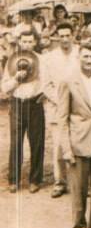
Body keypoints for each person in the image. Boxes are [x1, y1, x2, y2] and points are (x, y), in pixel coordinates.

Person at [57, 41, 91, 228]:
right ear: (78, 57)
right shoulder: (67, 81)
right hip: (78, 141)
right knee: (79, 189)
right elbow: (62, 118)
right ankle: (79, 226)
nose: (89, 60)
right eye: (85, 56)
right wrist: (66, 149)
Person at [2, 27, 45, 193]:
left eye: (30, 41)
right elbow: (5, 87)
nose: (27, 44)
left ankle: (35, 180)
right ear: (19, 42)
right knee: (16, 142)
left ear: (35, 42)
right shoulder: (11, 60)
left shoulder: (41, 60)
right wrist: (15, 79)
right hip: (17, 103)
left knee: (37, 142)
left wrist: (44, 96)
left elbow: (48, 82)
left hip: (35, 104)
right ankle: (14, 180)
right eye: (24, 41)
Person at [40, 18, 79, 198]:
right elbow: (46, 85)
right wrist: (61, 101)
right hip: (57, 108)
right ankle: (59, 182)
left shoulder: (79, 54)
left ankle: (77, 182)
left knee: (76, 144)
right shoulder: (49, 58)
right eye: (61, 36)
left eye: (67, 35)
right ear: (57, 37)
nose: (64, 39)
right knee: (58, 145)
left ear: (73, 36)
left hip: (78, 107)